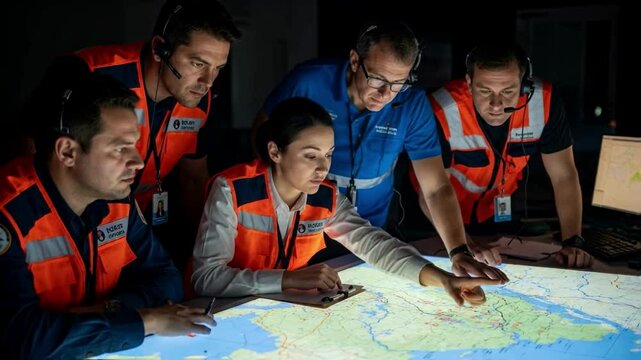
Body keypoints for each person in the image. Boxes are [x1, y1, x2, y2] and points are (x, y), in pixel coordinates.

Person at [192, 97, 507, 305]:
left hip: (277, 305)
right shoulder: (231, 189)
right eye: (310, 156)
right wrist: (287, 279)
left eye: (328, 155)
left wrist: (444, 279)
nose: (323, 168)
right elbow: (204, 278)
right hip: (221, 308)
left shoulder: (326, 196)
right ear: (275, 152)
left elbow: (375, 245)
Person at [252, 20, 503, 280]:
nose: (386, 93)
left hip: (369, 233)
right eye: (377, 79)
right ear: (354, 61)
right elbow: (263, 137)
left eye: (398, 83)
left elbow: (436, 188)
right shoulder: (308, 81)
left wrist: (458, 251)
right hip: (300, 227)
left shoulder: (412, 104)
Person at [0, 73, 214, 359]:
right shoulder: (10, 214)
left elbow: (166, 278)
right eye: (120, 149)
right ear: (67, 152)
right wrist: (145, 320)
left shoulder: (118, 199)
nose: (138, 163)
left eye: (136, 146)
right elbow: (22, 338)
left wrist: (106, 310)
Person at [18, 0, 241, 270]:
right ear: (161, 49)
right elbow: (29, 150)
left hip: (136, 226)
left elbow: (193, 180)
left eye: (218, 68)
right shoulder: (87, 72)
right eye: (198, 64)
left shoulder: (202, 102)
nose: (208, 82)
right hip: (65, 225)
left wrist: (198, 260)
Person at [416, 41, 593, 268]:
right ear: (469, 83)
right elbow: (434, 190)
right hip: (436, 221)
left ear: (524, 85)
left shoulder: (545, 102)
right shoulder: (441, 110)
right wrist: (462, 246)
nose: (496, 105)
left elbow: (564, 175)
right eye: (485, 91)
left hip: (495, 218)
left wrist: (573, 241)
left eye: (508, 91)